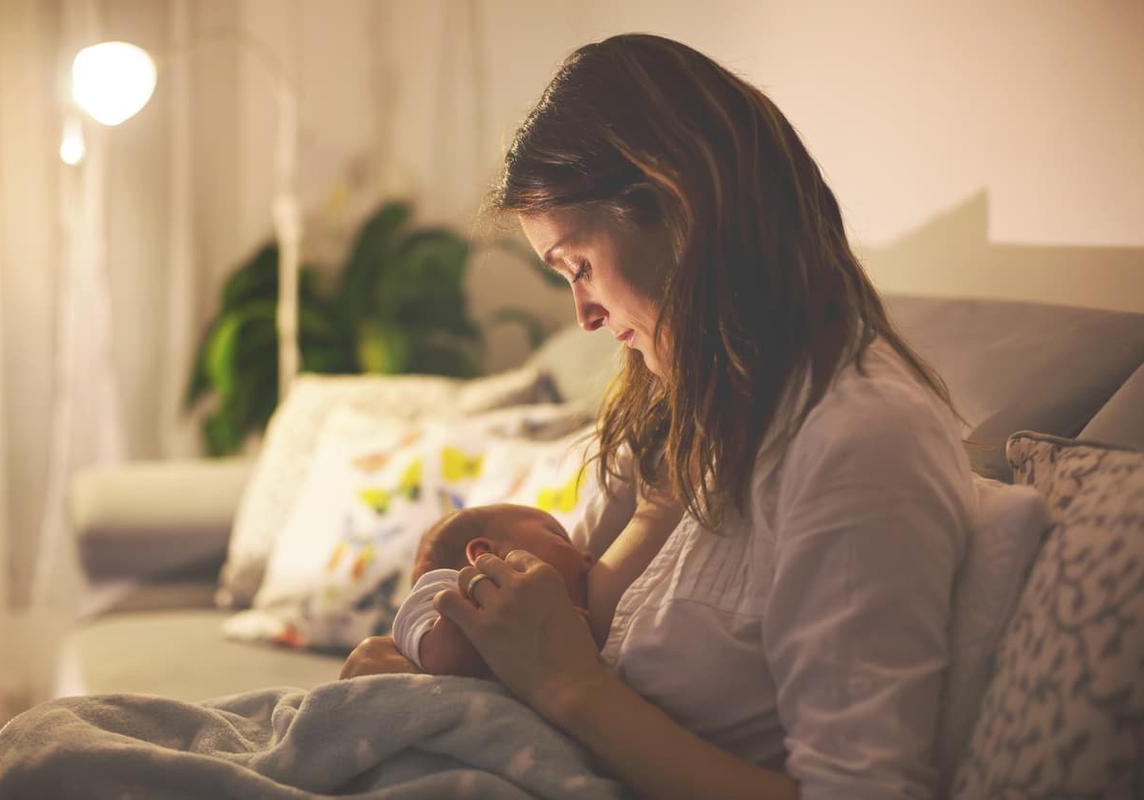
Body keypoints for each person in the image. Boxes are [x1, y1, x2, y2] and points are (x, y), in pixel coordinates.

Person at [341, 33, 976, 800]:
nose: (582, 314)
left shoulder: (858, 445)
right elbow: (546, 624)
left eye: (578, 266)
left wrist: (573, 688)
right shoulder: (668, 412)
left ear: (676, 206)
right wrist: (412, 669)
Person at [391, 503, 593, 676]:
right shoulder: (440, 590)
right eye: (559, 537)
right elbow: (435, 655)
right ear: (484, 555)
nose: (587, 557)